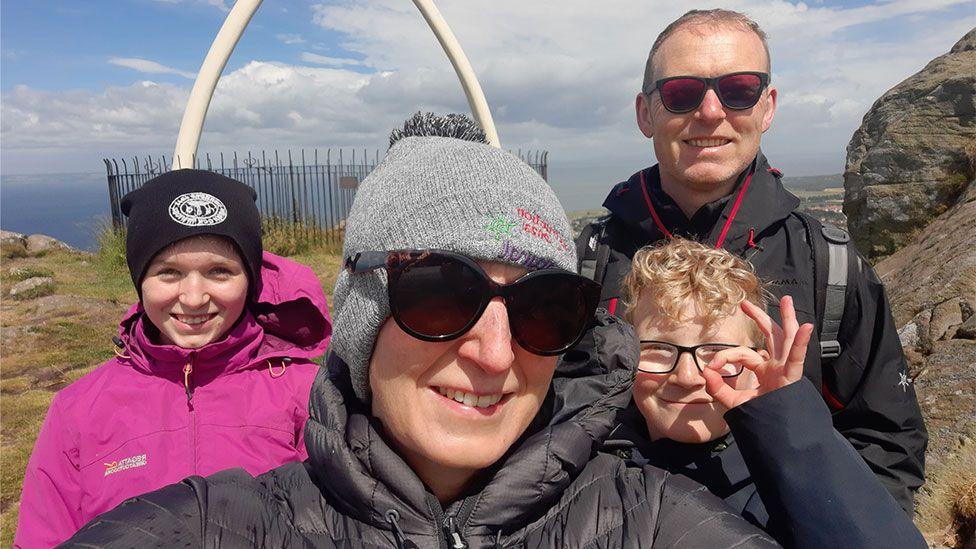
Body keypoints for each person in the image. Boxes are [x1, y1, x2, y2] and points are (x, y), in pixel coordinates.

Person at [62, 132, 779, 547]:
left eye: (544, 307)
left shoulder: (656, 525)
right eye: (441, 294)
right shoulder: (224, 527)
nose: (496, 353)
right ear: (361, 318)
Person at [572, 8, 926, 511]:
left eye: (738, 89)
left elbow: (887, 442)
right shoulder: (587, 260)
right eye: (681, 92)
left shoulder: (831, 265)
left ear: (767, 106)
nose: (711, 112)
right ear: (645, 112)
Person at [14, 169, 332, 547]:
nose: (194, 297)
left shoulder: (308, 395)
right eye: (169, 272)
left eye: (219, 271)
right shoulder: (77, 411)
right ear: (139, 279)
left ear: (249, 278)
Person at [602, 238, 925, 547]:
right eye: (657, 348)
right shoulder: (594, 465)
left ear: (759, 360)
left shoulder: (788, 484)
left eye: (716, 351)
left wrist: (786, 422)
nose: (687, 377)